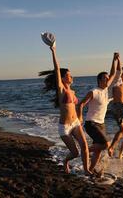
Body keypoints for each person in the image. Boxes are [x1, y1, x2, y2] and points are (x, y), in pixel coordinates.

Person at [41, 45, 92, 175]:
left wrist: (80, 116)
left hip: (75, 123)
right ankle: (65, 161)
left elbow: (76, 106)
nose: (71, 77)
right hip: (64, 127)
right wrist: (53, 51)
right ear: (63, 78)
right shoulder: (62, 90)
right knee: (74, 153)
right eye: (69, 75)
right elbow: (57, 69)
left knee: (85, 146)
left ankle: (87, 170)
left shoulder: (72, 91)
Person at [78, 52, 119, 175]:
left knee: (98, 150)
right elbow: (80, 104)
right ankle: (84, 151)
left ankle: (90, 170)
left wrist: (114, 59)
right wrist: (79, 117)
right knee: (106, 144)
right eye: (105, 78)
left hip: (101, 124)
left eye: (108, 78)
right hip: (91, 123)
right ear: (99, 80)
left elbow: (112, 73)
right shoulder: (94, 92)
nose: (108, 79)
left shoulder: (106, 89)